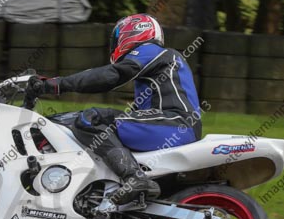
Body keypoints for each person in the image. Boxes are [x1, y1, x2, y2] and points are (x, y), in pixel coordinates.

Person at [26, 14, 201, 206]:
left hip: (174, 123)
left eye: (117, 38)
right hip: (169, 123)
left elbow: (112, 75)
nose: (115, 43)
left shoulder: (154, 51)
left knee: (90, 119)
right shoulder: (155, 69)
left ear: (133, 32)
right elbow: (133, 111)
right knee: (84, 119)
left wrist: (56, 85)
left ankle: (134, 179)